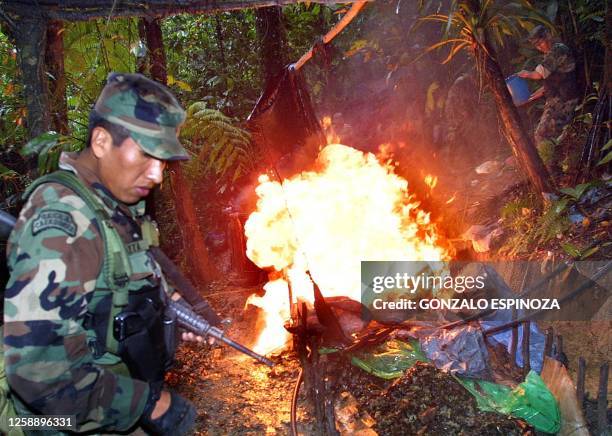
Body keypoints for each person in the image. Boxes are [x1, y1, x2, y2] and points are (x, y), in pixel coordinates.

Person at [3, 73, 206, 435]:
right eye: (146, 154)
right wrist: (148, 405)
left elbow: (121, 282)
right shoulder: (65, 222)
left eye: (163, 160)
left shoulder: (112, 202)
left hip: (109, 403)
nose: (157, 174)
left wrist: (171, 308)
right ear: (100, 141)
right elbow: (37, 372)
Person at [517, 25, 580, 168]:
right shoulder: (552, 52)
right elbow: (555, 78)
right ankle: (557, 167)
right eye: (536, 45)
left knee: (542, 134)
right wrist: (537, 94)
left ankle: (553, 170)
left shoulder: (558, 50)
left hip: (565, 100)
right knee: (549, 134)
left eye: (540, 42)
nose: (539, 47)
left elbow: (540, 74)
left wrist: (525, 74)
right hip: (558, 98)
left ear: (548, 36)